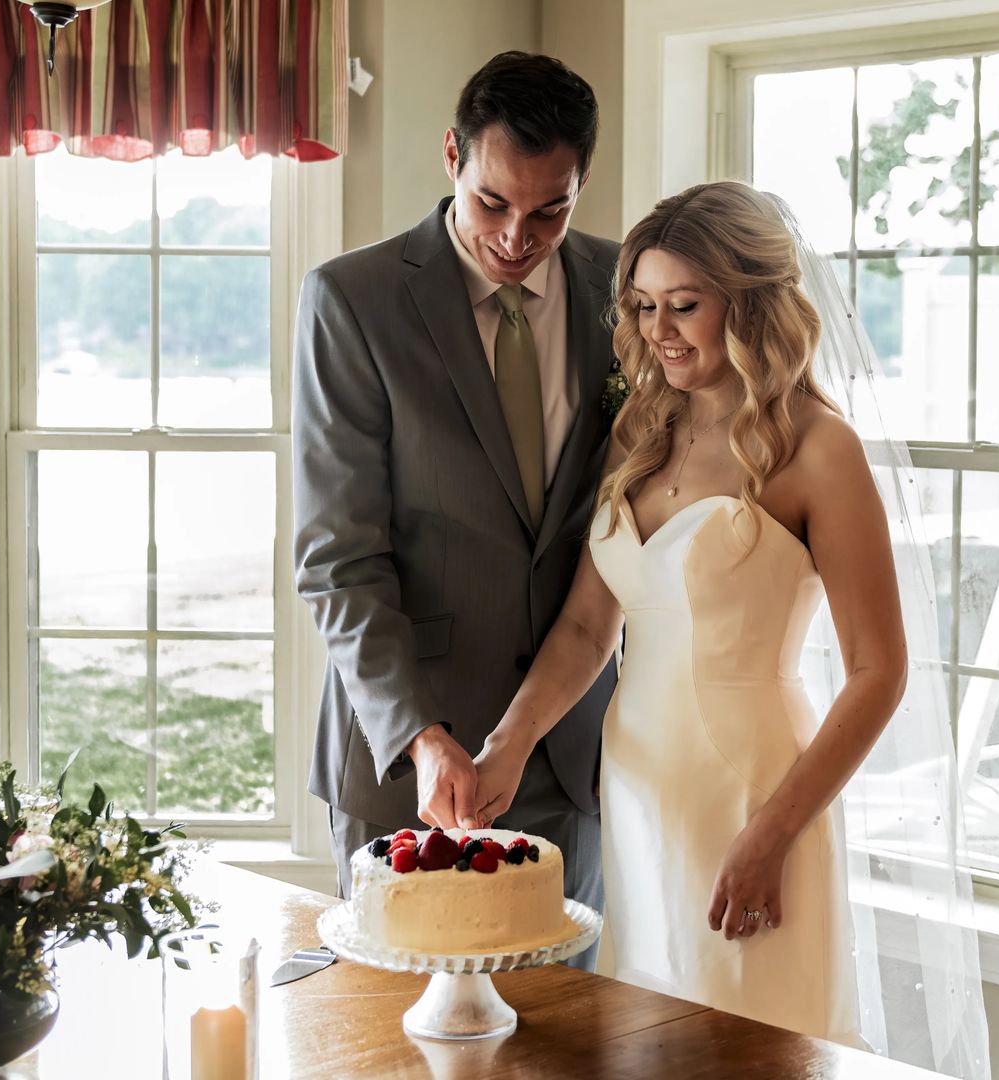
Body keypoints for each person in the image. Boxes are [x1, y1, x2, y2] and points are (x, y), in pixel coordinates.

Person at [469, 180, 911, 1044]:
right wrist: (508, 743)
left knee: (751, 1046)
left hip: (755, 797)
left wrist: (771, 835)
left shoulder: (821, 451)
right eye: (642, 306)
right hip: (637, 791)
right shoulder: (641, 424)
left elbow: (878, 672)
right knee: (648, 1046)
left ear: (747, 305)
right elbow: (590, 628)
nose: (659, 330)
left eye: (684, 306)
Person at [291, 52, 616, 967]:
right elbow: (339, 558)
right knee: (389, 1046)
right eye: (493, 202)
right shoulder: (352, 300)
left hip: (563, 752)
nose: (518, 235)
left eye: (552, 208)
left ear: (581, 182)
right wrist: (421, 737)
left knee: (556, 1040)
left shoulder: (628, 292)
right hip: (402, 762)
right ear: (451, 156)